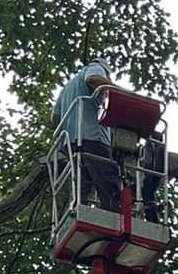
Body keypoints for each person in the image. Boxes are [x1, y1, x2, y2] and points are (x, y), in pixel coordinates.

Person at [51, 60, 125, 210]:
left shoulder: (67, 88)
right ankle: (115, 217)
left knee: (80, 182)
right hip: (92, 136)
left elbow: (55, 118)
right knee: (107, 179)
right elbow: (94, 79)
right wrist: (122, 93)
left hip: (70, 142)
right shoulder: (95, 68)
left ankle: (77, 210)